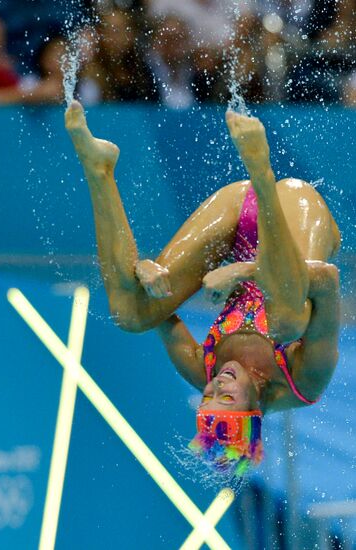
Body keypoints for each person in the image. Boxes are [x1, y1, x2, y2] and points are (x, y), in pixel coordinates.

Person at [65, 100, 340, 479]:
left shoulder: (202, 368)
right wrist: (243, 271)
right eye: (227, 397)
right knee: (289, 323)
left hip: (237, 214)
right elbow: (326, 280)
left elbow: (157, 310)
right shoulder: (304, 380)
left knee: (130, 315)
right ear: (254, 407)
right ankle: (261, 169)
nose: (217, 385)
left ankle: (99, 169)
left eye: (208, 396)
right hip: (296, 207)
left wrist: (145, 272)